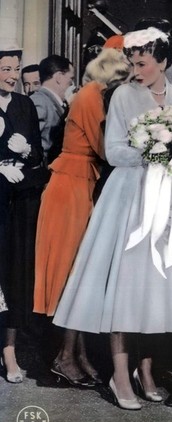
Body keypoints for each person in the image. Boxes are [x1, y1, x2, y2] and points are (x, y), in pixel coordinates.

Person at [53, 27, 172, 410]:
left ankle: (145, 371)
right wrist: (156, 150)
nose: (136, 71)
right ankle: (120, 376)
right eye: (132, 63)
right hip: (129, 198)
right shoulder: (122, 95)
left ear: (163, 62)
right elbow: (114, 152)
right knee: (125, 290)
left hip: (166, 196)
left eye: (143, 64)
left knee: (153, 291)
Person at [33, 48, 131, 387]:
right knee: (71, 273)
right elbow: (105, 149)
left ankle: (78, 354)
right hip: (70, 187)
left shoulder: (93, 95)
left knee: (80, 271)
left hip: (80, 183)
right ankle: (64, 357)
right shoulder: (91, 96)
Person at [0, 43, 45, 384]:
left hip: (17, 205)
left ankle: (10, 353)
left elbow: (38, 157)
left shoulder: (24, 104)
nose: (13, 76)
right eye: (6, 69)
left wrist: (27, 150)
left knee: (14, 277)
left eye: (16, 69)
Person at [30, 55, 75, 165]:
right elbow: (31, 144)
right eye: (71, 79)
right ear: (59, 77)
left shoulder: (51, 102)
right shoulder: (39, 101)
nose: (72, 84)